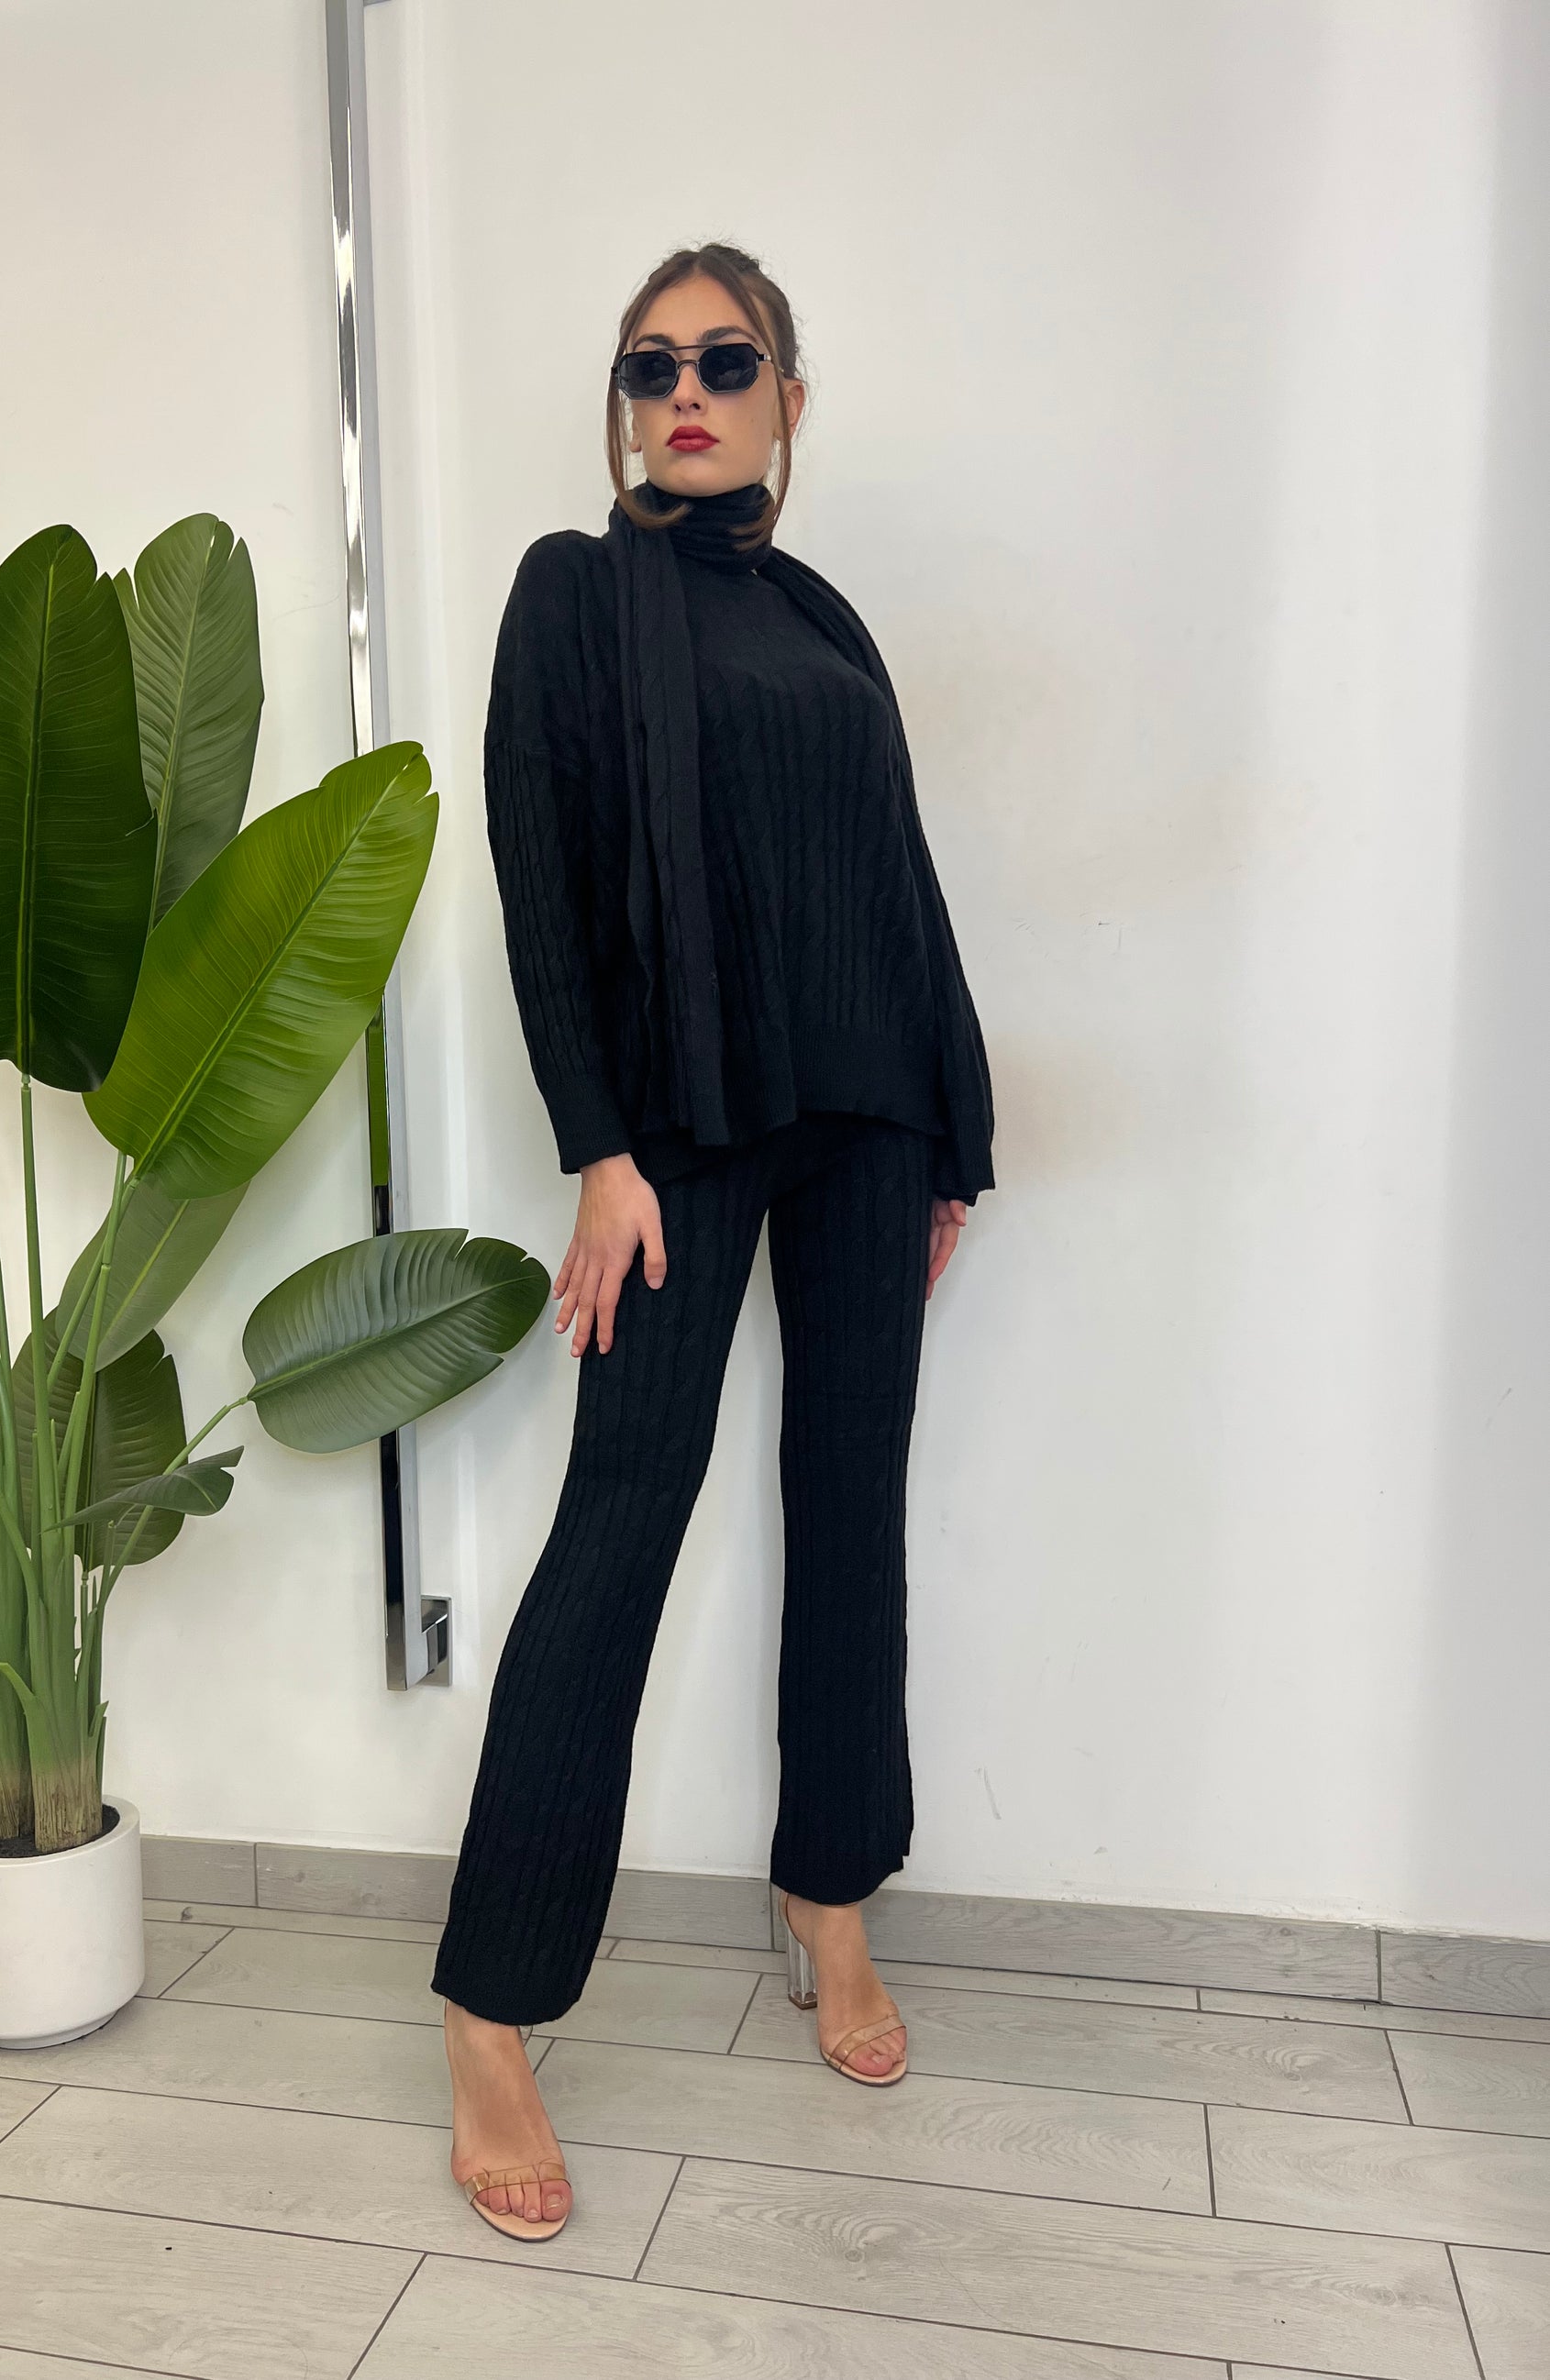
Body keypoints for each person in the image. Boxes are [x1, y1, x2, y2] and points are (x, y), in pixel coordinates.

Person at [433, 240, 994, 2241]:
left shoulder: (820, 615)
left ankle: (827, 1897)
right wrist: (600, 1150)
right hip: (676, 1135)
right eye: (651, 364)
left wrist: (950, 1131)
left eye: (727, 361)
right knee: (620, 1522)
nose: (685, 391)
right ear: (622, 403)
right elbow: (537, 875)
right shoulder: (573, 594)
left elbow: (895, 878)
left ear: (786, 402)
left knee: (850, 1507)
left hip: (869, 1124)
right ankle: (492, 2004)